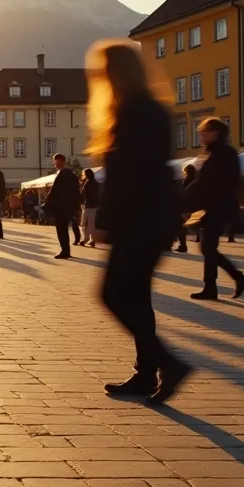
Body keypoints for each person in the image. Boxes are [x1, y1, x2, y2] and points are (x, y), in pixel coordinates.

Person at [86, 40, 190, 405]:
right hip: (155, 217)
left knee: (112, 294)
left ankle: (168, 363)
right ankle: (147, 373)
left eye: (100, 72)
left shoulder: (130, 111)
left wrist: (104, 219)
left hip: (138, 220)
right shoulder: (152, 108)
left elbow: (125, 173)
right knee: (138, 297)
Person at [186, 118, 244, 301]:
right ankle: (214, 285)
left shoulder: (220, 154)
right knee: (208, 247)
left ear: (215, 133)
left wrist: (185, 199)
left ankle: (235, 278)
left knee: (208, 247)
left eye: (204, 131)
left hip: (218, 206)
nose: (201, 135)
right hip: (217, 205)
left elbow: (207, 182)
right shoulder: (221, 152)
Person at [44, 154, 79, 258]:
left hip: (61, 207)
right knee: (64, 229)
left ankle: (65, 250)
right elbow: (76, 192)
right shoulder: (72, 175)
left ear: (61, 161)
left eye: (55, 161)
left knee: (61, 229)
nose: (54, 164)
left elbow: (54, 191)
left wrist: (48, 201)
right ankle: (66, 250)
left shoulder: (63, 174)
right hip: (68, 206)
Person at [174, 165, 196, 253]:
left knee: (179, 225)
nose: (185, 173)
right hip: (188, 207)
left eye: (185, 171)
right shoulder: (193, 179)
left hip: (186, 207)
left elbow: (185, 193)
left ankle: (182, 245)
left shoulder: (189, 180)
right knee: (179, 225)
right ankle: (182, 245)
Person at [80, 168, 101, 247]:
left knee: (84, 223)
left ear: (86, 175)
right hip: (94, 205)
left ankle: (84, 239)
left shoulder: (87, 183)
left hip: (87, 205)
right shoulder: (96, 183)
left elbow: (82, 193)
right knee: (92, 223)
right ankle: (92, 240)